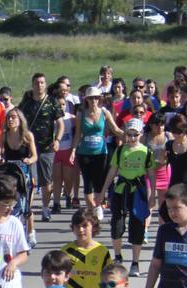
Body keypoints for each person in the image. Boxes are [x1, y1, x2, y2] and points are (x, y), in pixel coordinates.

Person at [101, 119, 155, 277]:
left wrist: (152, 196)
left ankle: (135, 262)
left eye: (135, 135)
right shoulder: (120, 150)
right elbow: (112, 171)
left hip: (138, 191)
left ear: (141, 134)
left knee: (137, 225)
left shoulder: (146, 152)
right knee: (117, 224)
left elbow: (151, 175)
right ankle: (117, 256)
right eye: (129, 135)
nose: (132, 138)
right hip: (121, 189)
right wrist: (104, 190)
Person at [71, 86, 122, 222]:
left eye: (96, 98)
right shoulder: (81, 114)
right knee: (88, 183)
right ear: (86, 100)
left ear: (99, 99)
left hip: (101, 153)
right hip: (85, 153)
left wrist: (129, 136)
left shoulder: (105, 113)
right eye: (91, 98)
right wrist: (73, 151)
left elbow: (115, 129)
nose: (94, 100)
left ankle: (97, 206)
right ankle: (92, 209)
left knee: (99, 182)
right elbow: (77, 135)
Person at [20, 73, 64, 223]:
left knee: (46, 181)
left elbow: (60, 124)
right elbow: (19, 121)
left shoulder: (52, 102)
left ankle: (45, 207)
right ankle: (28, 209)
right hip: (29, 148)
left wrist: (57, 140)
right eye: (37, 83)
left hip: (46, 147)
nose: (40, 85)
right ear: (33, 84)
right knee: (30, 180)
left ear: (45, 85)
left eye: (42, 83)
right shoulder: (26, 103)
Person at [0, 107, 40, 245]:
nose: (11, 120)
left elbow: (34, 156)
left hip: (24, 173)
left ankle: (31, 232)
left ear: (20, 120)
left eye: (14, 117)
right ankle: (13, 233)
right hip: (9, 173)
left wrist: (29, 160)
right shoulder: (4, 135)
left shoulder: (27, 136)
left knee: (26, 205)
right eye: (8, 117)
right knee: (11, 204)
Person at [61, 206, 111, 288]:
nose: (81, 230)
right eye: (77, 226)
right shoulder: (66, 251)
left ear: (93, 226)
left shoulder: (102, 252)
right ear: (72, 228)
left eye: (85, 226)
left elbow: (109, 278)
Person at [50, 79, 79, 214]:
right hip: (55, 152)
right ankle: (56, 203)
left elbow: (78, 131)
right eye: (58, 105)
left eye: (63, 105)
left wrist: (74, 149)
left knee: (68, 178)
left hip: (67, 150)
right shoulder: (51, 119)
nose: (61, 107)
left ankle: (68, 195)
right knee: (57, 179)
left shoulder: (70, 118)